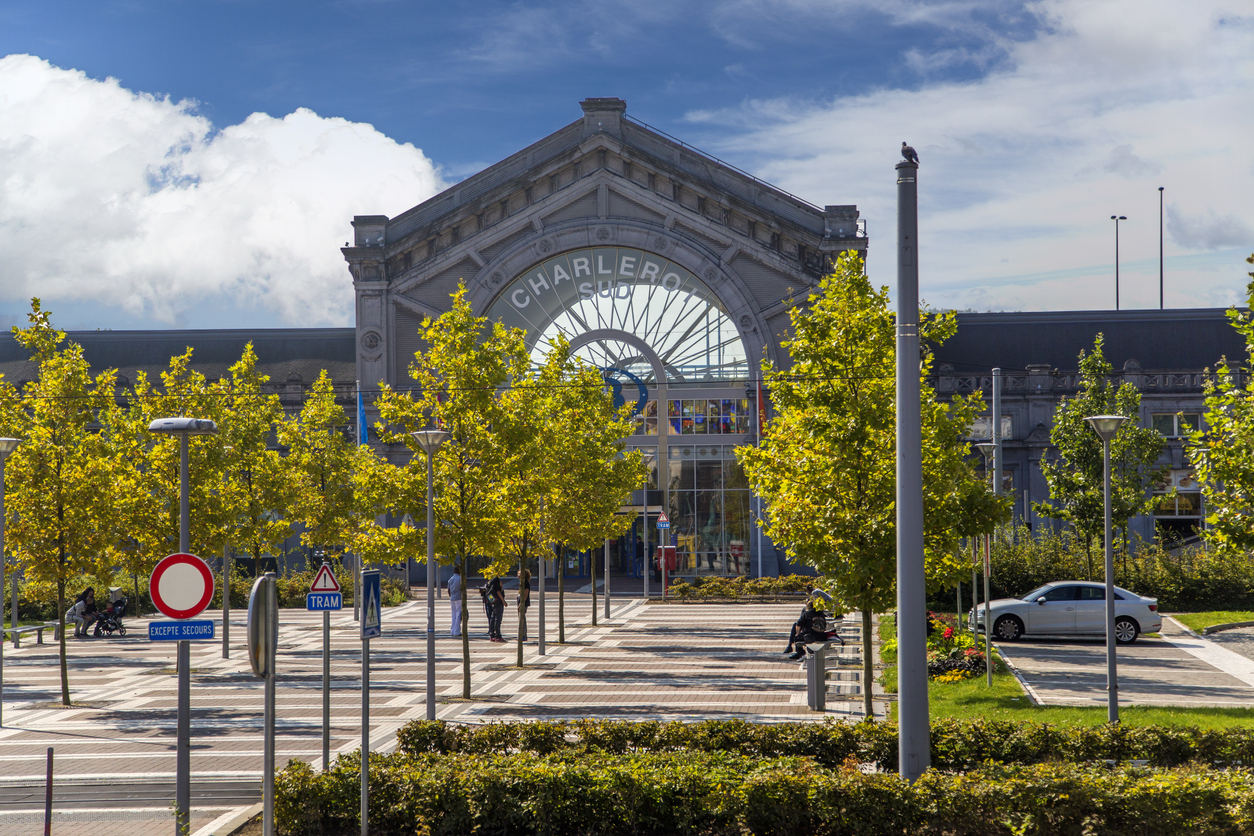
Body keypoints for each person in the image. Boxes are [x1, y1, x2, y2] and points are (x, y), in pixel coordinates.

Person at [484, 574, 506, 642]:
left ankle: (492, 635)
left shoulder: (490, 580)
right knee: (498, 618)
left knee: (493, 617)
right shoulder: (496, 580)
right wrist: (503, 601)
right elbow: (498, 591)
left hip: (493, 601)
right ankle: (498, 635)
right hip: (498, 601)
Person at [517, 567, 531, 642]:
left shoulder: (525, 583)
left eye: (519, 574)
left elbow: (525, 595)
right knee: (521, 619)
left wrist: (521, 604)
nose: (518, 575)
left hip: (523, 604)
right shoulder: (522, 583)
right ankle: (521, 635)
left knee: (522, 619)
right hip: (520, 603)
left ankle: (523, 636)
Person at [448, 565, 463, 637]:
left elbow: (448, 590)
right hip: (459, 598)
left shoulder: (451, 579)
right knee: (458, 614)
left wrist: (451, 596)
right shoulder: (460, 579)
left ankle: (452, 630)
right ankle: (457, 631)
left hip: (452, 598)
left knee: (453, 615)